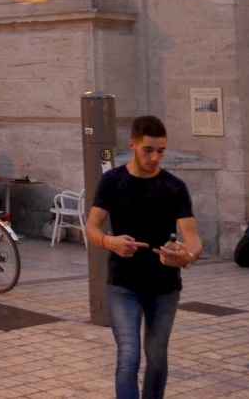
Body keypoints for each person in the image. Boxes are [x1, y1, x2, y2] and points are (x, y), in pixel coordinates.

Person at [85, 115, 202, 399]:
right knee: (128, 356)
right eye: (148, 150)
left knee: (157, 357)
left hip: (164, 286)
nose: (154, 157)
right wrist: (110, 242)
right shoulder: (113, 181)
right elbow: (91, 227)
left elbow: (193, 239)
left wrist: (186, 257)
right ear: (133, 145)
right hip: (123, 284)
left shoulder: (174, 186)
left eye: (160, 151)